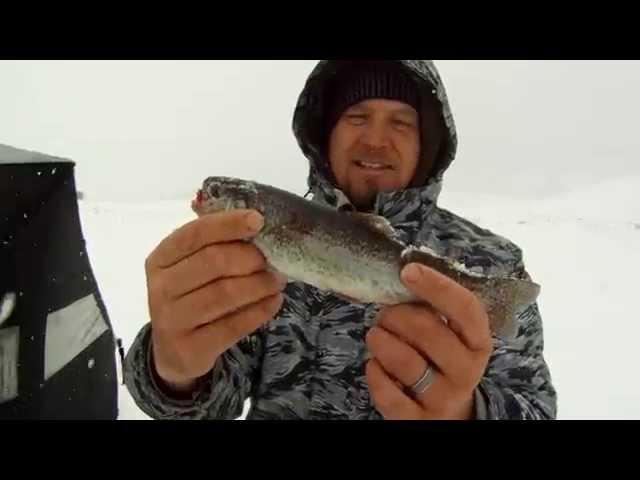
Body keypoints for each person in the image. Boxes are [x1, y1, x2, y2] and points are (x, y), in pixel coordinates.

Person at [123, 60, 557, 420]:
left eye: (401, 122)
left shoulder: (493, 263)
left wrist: (465, 412)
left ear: (428, 143)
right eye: (357, 117)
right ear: (324, 134)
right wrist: (174, 370)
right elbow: (214, 398)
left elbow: (535, 408)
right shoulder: (257, 253)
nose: (375, 139)